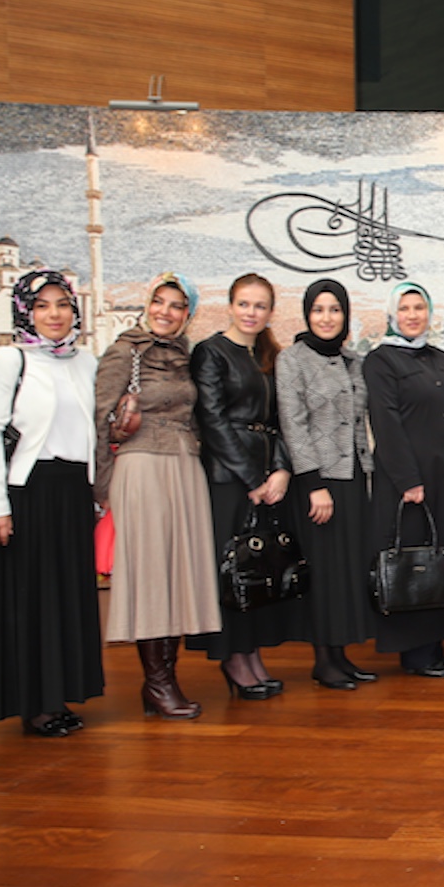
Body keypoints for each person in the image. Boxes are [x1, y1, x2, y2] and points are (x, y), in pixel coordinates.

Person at [0, 269, 105, 736]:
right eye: (42, 305)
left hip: (73, 493)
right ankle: (34, 703)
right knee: (30, 601)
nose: (54, 315)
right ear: (24, 311)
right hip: (27, 494)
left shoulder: (85, 361)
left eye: (63, 305)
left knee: (66, 598)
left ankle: (59, 693)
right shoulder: (8, 360)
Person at [92, 272, 219, 720]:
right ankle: (157, 682)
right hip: (142, 465)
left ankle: (165, 679)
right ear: (147, 305)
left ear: (188, 314)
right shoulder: (124, 350)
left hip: (184, 466)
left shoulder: (186, 354)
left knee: (178, 573)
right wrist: (103, 488)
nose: (166, 312)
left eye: (177, 305)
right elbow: (100, 419)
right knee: (151, 574)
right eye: (158, 302)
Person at [188, 273, 296, 699]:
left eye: (260, 306)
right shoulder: (211, 353)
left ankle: (251, 654)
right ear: (230, 306)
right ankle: (233, 657)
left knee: (258, 569)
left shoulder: (270, 356)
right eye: (244, 304)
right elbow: (212, 421)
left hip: (268, 478)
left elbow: (281, 421)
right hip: (228, 479)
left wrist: (281, 471)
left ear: (271, 312)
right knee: (232, 568)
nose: (252, 313)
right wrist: (251, 478)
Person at [276, 279, 377, 690]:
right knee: (322, 571)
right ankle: (323, 660)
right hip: (317, 482)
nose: (326, 317)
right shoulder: (292, 360)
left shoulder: (354, 361)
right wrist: (314, 484)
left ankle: (340, 654)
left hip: (352, 477)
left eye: (334, 309)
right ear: (307, 314)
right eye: (318, 309)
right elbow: (293, 424)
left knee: (345, 570)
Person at [368, 281, 444, 677]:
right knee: (410, 564)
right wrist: (408, 480)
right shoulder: (381, 361)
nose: (412, 315)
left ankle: (434, 645)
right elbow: (386, 424)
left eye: (419, 308)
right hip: (407, 482)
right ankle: (414, 652)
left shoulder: (440, 357)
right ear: (392, 314)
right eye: (405, 308)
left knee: (436, 562)